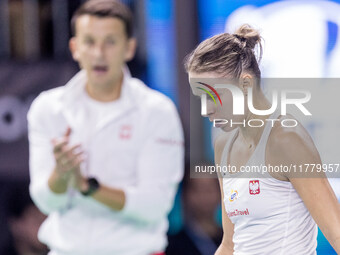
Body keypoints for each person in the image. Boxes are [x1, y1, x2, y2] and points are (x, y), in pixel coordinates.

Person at [27, 1, 184, 255]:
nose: (99, 53)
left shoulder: (157, 111)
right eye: (89, 41)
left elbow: (154, 205)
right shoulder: (48, 107)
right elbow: (45, 202)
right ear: (75, 48)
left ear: (129, 48)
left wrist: (87, 187)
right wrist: (61, 175)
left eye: (110, 41)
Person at [184, 24, 340, 254]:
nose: (205, 110)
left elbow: (337, 233)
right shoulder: (222, 145)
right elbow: (230, 244)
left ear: (246, 84)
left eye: (213, 97)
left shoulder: (286, 139)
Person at [166, 167, 223, 255]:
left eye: (209, 190)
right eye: (196, 189)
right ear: (184, 194)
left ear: (221, 193)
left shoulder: (234, 241)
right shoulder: (171, 245)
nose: (203, 196)